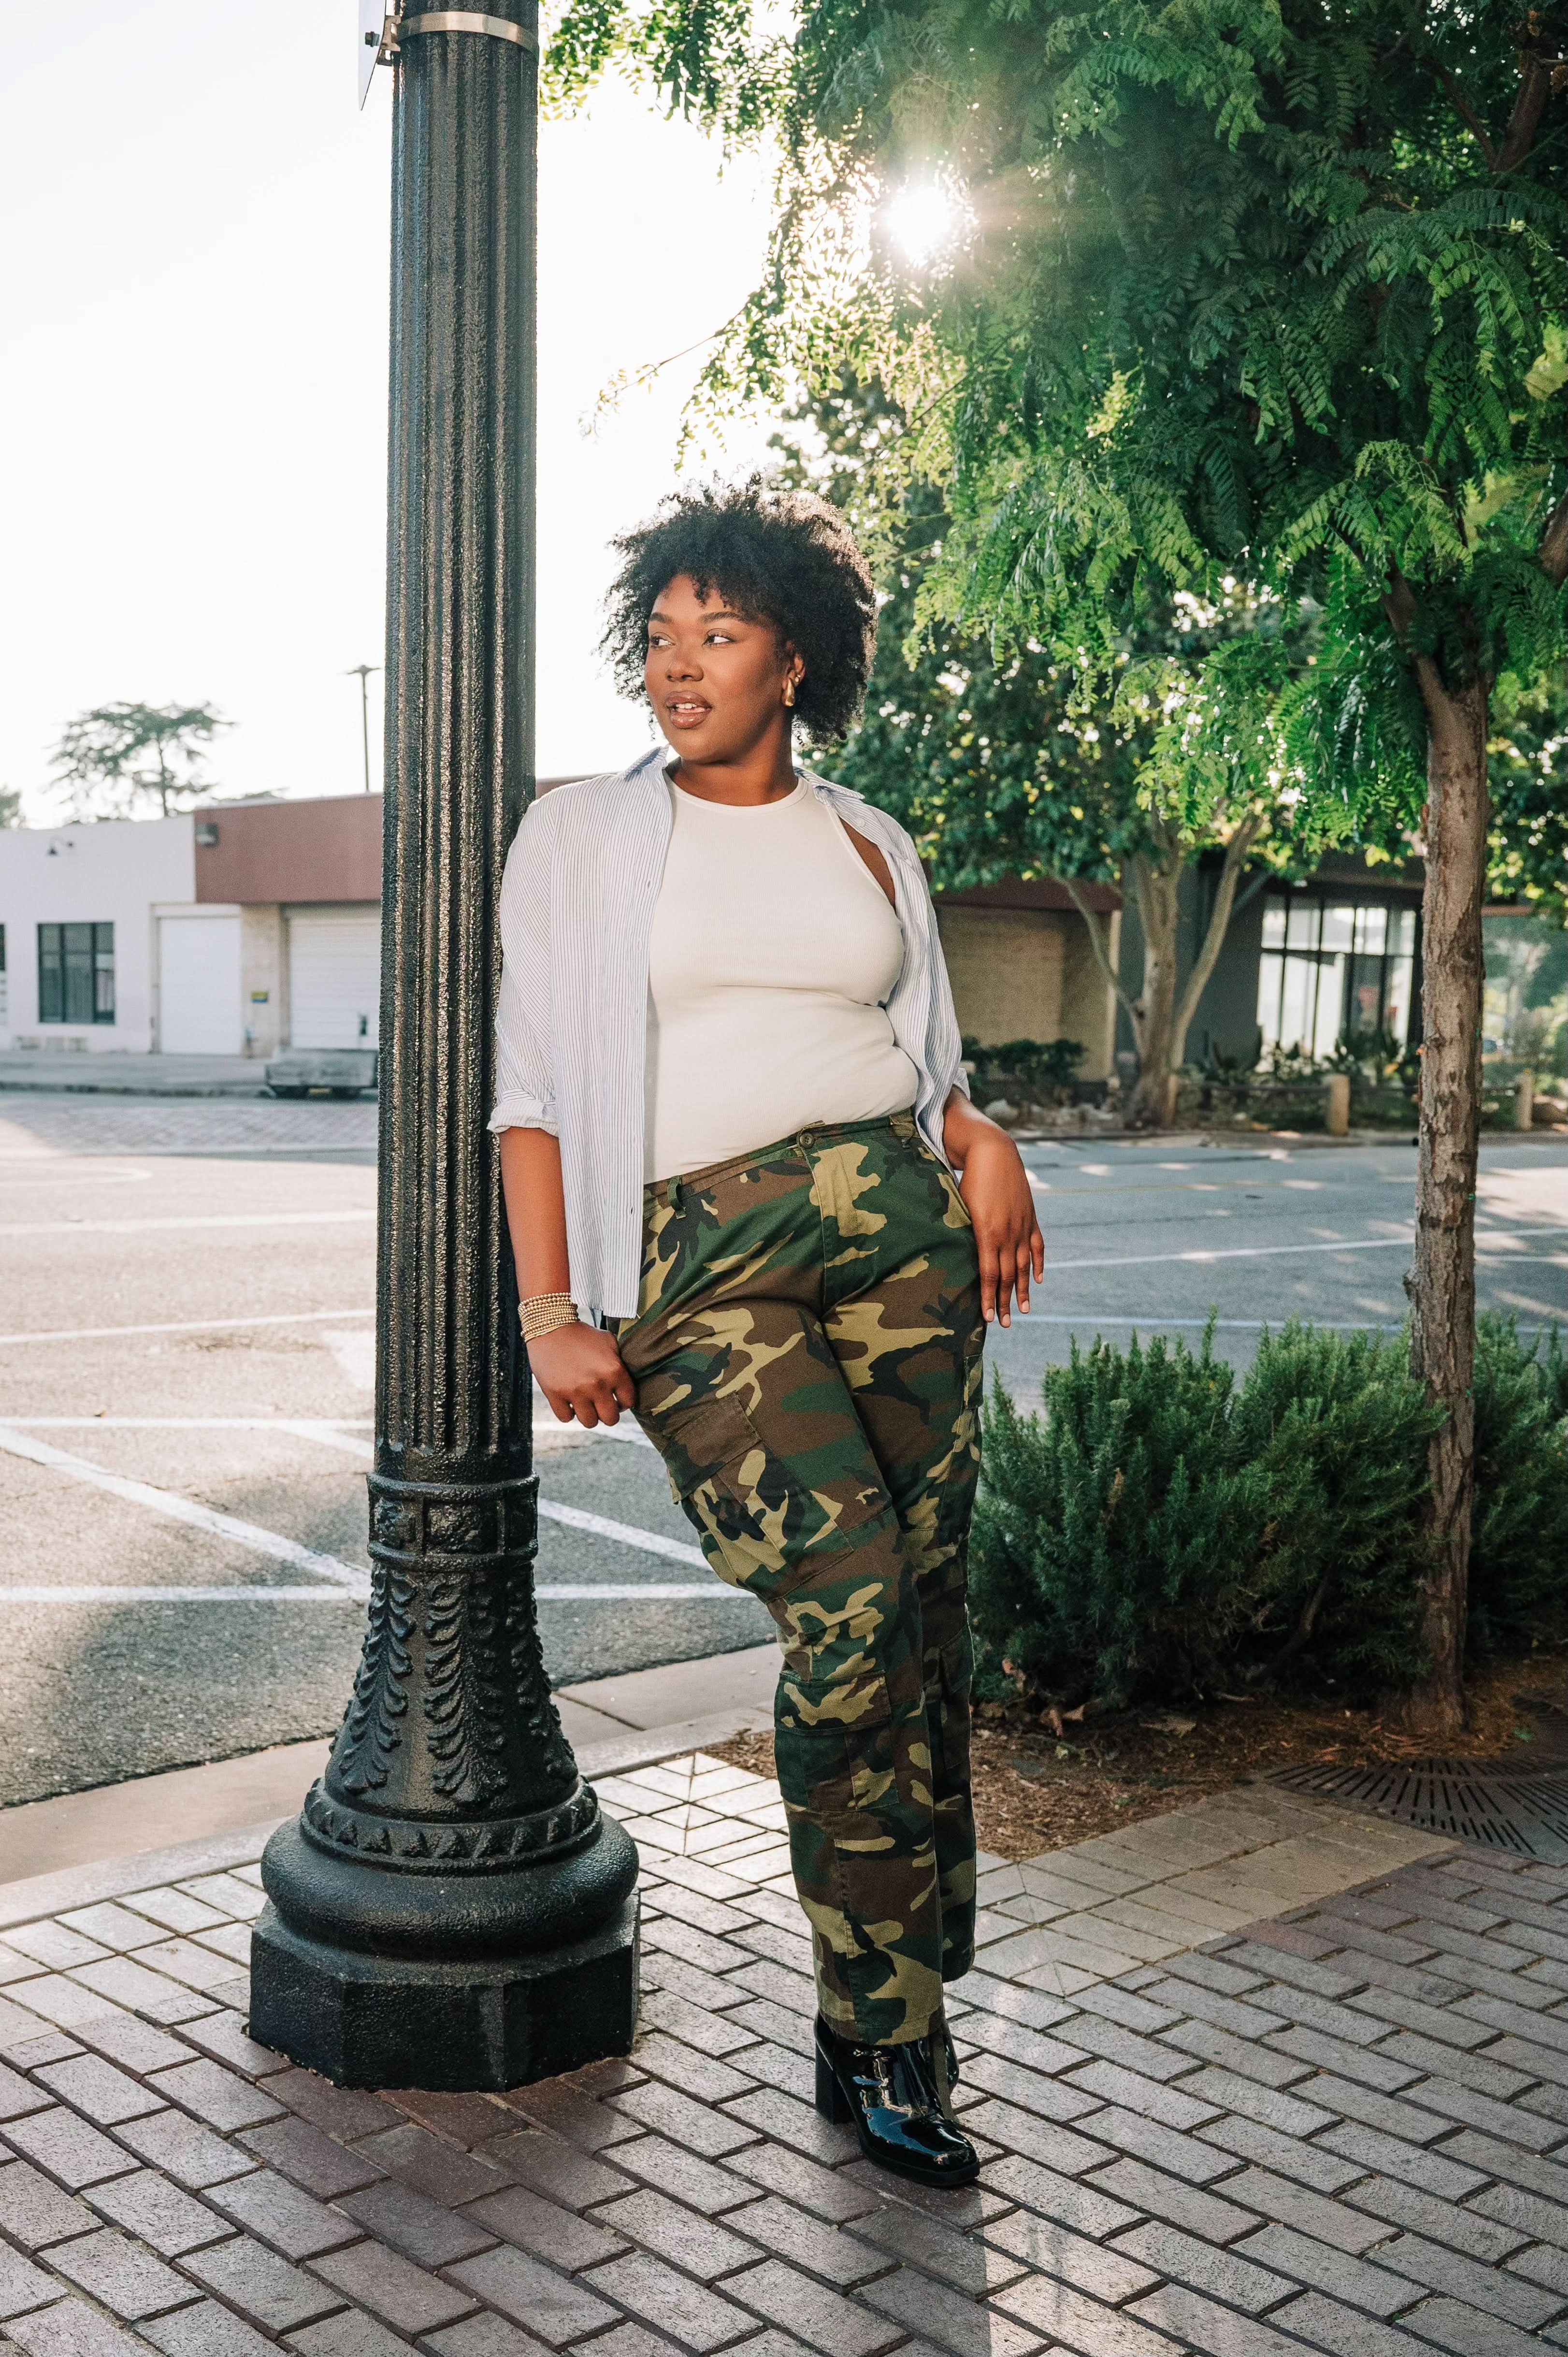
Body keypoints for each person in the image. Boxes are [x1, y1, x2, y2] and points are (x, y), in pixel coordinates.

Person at [491, 477, 1043, 2190]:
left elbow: (926, 1053)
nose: (678, 665)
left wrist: (987, 1138)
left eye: (715, 634)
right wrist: (550, 1311)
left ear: (792, 657)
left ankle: (892, 2015)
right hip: (701, 1261)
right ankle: (881, 2014)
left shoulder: (873, 839)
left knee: (930, 1615)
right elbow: (529, 1091)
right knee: (856, 1612)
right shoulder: (580, 837)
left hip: (905, 1237)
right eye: (659, 635)